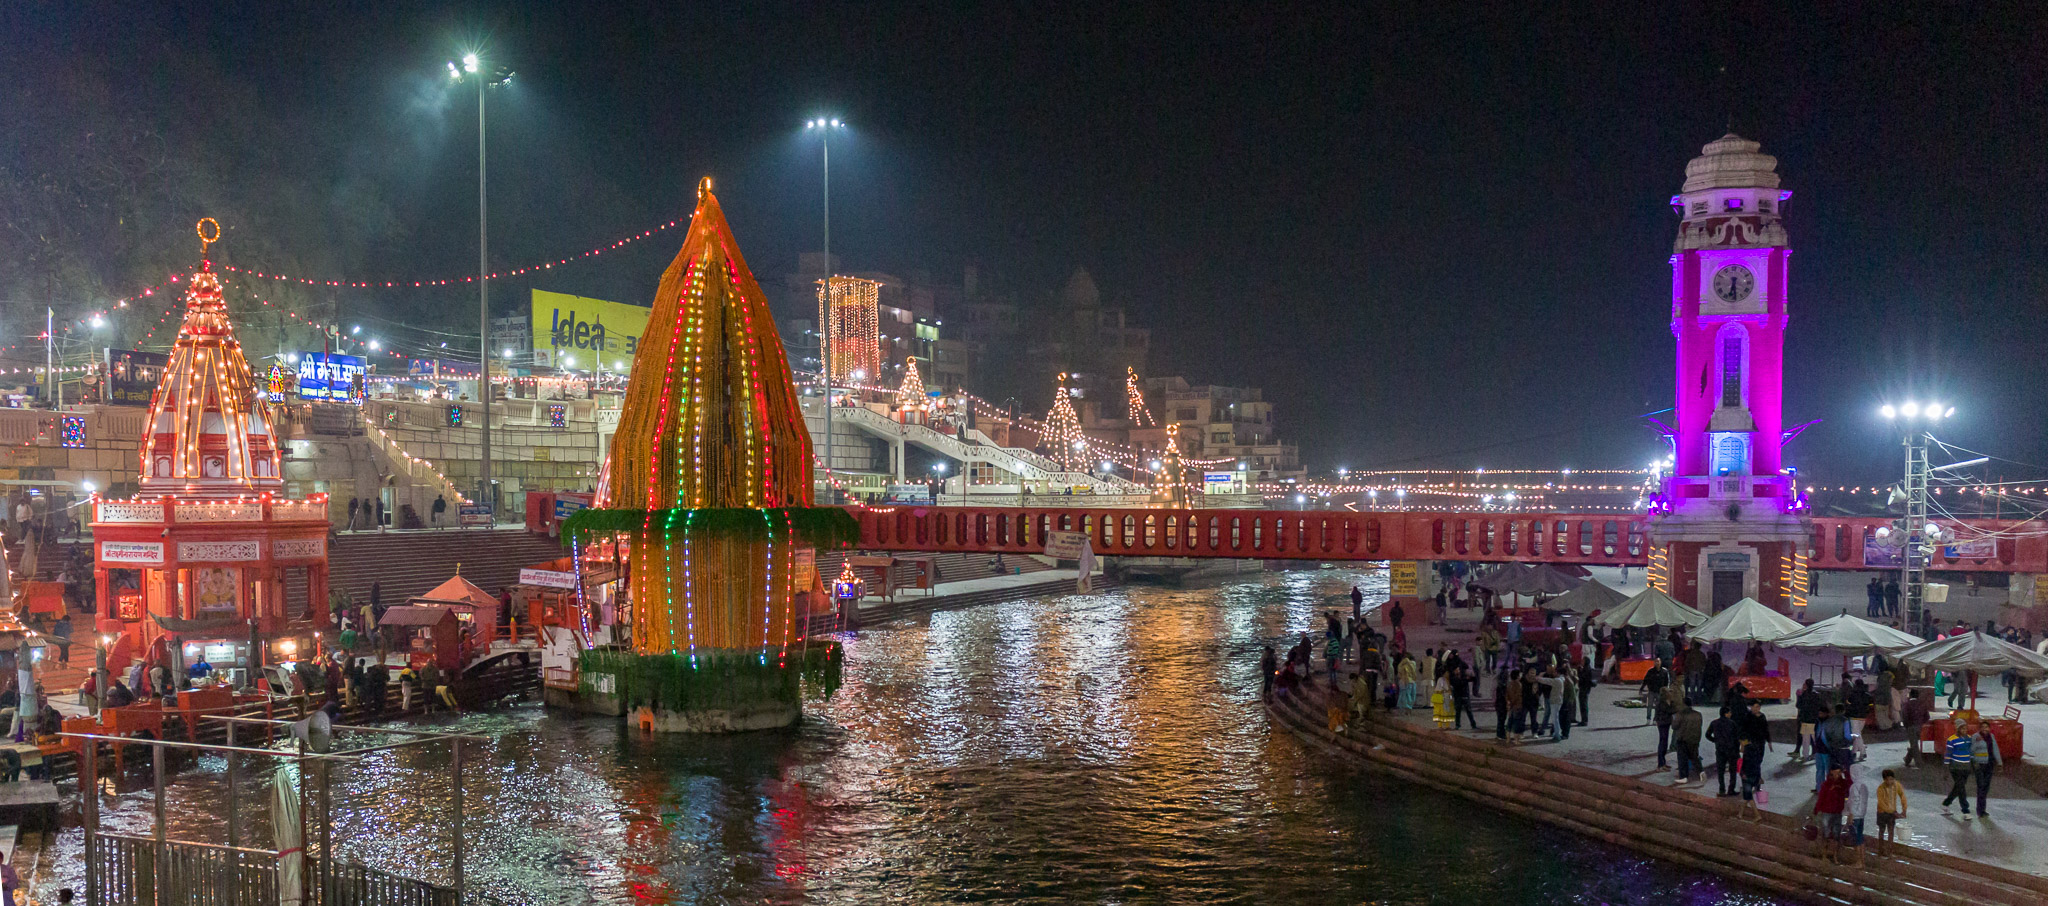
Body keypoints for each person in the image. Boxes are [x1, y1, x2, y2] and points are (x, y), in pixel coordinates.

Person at [1737, 699, 1772, 820]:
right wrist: (1743, 742)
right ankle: (1755, 781)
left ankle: (1756, 782)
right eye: (1754, 706)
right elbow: (1742, 729)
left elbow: (1766, 730)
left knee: (1758, 761)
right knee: (1750, 761)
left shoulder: (1762, 717)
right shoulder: (1748, 717)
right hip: (1750, 743)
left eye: (1758, 707)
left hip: (1760, 743)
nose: (1756, 709)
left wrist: (1769, 741)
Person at [1812, 765, 1851, 864]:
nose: (1837, 775)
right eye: (1835, 773)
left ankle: (1834, 857)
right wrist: (1816, 809)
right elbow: (1821, 798)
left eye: (1839, 773)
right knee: (1825, 834)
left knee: (1836, 836)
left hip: (1837, 813)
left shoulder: (1842, 783)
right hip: (1827, 813)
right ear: (1831, 772)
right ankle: (1824, 855)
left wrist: (1846, 772)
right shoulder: (1826, 785)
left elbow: (1850, 783)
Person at [1941, 722, 1976, 818]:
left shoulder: (1969, 738)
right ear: (1957, 729)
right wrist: (1946, 769)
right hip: (1955, 767)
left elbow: (1971, 752)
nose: (1964, 731)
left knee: (1958, 787)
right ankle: (1965, 810)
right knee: (1961, 788)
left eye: (1965, 729)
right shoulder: (1951, 740)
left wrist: (1973, 764)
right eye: (1962, 729)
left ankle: (1946, 803)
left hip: (1966, 767)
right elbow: (1948, 755)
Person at [1707, 704, 1741, 796]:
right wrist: (1737, 751)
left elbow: (1707, 735)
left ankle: (1722, 790)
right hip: (1731, 750)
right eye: (1729, 712)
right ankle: (1731, 789)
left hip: (1720, 750)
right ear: (1726, 714)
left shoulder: (1714, 723)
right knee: (1732, 771)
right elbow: (1737, 738)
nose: (1731, 714)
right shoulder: (1732, 723)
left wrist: (1715, 741)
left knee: (1720, 771)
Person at [1843, 764, 1872, 867]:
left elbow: (1854, 801)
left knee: (1856, 840)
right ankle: (1862, 861)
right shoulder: (1864, 785)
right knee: (1860, 838)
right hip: (1861, 815)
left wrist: (1850, 814)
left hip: (1855, 816)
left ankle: (1859, 861)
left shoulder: (1854, 786)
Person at [1972, 722, 2002, 817]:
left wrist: (2000, 762)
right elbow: (1971, 750)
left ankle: (1983, 809)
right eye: (1983, 727)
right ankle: (1979, 810)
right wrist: (1977, 742)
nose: (1985, 729)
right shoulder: (1975, 737)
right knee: (1981, 786)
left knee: (1986, 787)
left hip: (1989, 764)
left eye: (1987, 727)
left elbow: (1995, 749)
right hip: (1979, 765)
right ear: (1979, 728)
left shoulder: (1991, 737)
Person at [1875, 768, 1907, 855]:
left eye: (1892, 779)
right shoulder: (1880, 789)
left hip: (1892, 812)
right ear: (1884, 780)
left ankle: (1890, 851)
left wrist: (1904, 809)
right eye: (1888, 779)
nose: (1890, 781)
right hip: (1882, 812)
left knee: (1891, 832)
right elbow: (1881, 803)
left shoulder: (1897, 785)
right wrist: (1893, 812)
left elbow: (1902, 796)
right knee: (1881, 831)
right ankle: (1881, 850)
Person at [1673, 696, 1703, 785]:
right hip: (1695, 739)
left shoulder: (1680, 714)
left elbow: (1674, 726)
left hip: (1683, 738)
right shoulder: (1698, 714)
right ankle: (1701, 772)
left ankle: (1683, 777)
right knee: (1694, 757)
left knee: (1682, 758)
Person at [1901, 690, 1931, 766]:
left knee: (1914, 745)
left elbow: (1905, 716)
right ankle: (1907, 759)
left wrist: (1906, 725)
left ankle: (1919, 763)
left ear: (1910, 695)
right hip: (1920, 726)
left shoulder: (1907, 704)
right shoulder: (1922, 704)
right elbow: (1927, 717)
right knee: (1914, 744)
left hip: (1911, 727)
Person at [1792, 679, 1820, 761]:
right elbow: (1819, 706)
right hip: (1814, 719)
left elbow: (1798, 705)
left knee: (1805, 739)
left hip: (1805, 719)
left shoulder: (1804, 694)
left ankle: (1806, 755)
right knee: (1814, 737)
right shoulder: (1816, 695)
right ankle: (1816, 753)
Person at [1451, 664, 1479, 730]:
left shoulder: (1463, 676)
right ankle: (1457, 725)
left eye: (1458, 669)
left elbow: (1474, 679)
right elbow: (1457, 684)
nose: (1458, 671)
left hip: (1465, 696)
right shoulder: (1453, 678)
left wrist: (1473, 675)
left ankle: (1473, 725)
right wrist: (1465, 679)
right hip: (1458, 697)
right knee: (1458, 712)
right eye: (1456, 670)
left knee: (1469, 711)